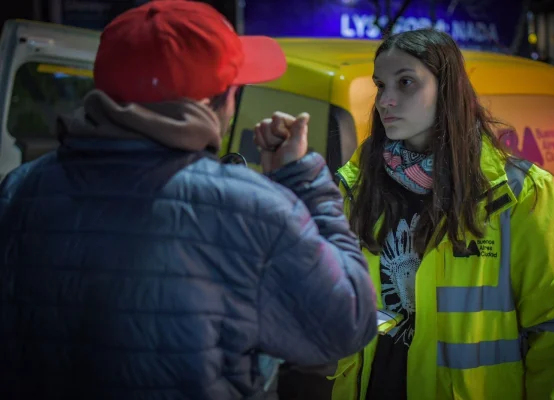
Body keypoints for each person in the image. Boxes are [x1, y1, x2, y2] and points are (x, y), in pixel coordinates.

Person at [0, 1, 378, 399]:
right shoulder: (255, 209)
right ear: (217, 101)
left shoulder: (19, 190)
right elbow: (349, 323)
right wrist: (303, 180)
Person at [327, 29, 554, 399]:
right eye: (381, 85)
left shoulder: (517, 192)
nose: (387, 100)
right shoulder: (360, 185)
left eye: (406, 83)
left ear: (446, 88)